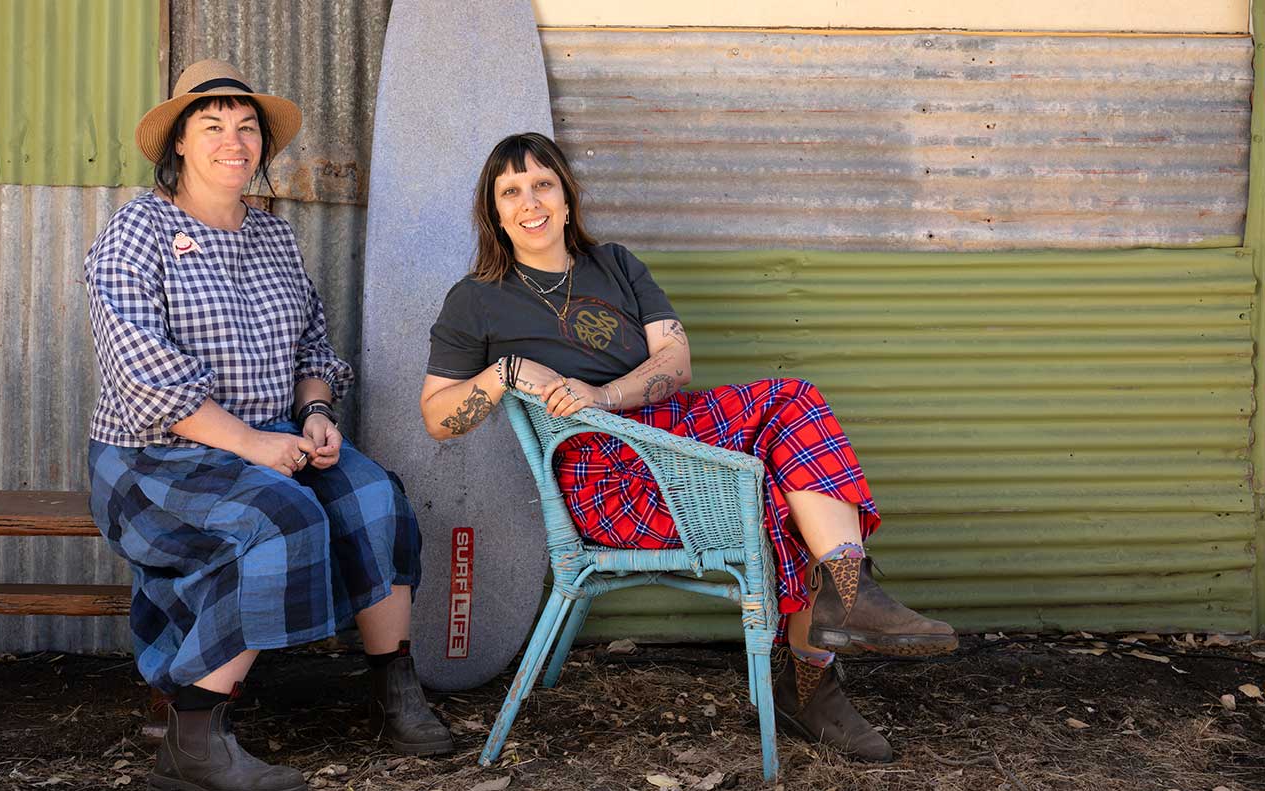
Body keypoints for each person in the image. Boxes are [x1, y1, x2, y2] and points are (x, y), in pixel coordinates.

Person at [419, 132, 958, 763]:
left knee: (794, 438)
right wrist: (505, 370)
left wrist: (603, 395)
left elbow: (674, 361)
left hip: (674, 437)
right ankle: (821, 659)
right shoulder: (477, 299)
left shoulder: (616, 264)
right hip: (608, 480)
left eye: (543, 184)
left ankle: (836, 616)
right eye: (510, 191)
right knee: (787, 455)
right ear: (495, 211)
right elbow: (438, 419)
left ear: (567, 197)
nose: (529, 201)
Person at [85, 60, 452, 791]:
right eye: (212, 126)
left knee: (373, 494)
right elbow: (145, 378)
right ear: (180, 145)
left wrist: (314, 412)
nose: (234, 140)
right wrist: (255, 443)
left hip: (273, 439)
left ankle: (392, 685)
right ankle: (193, 735)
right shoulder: (137, 231)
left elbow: (314, 347)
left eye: (247, 127)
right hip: (155, 457)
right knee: (280, 516)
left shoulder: (273, 239)